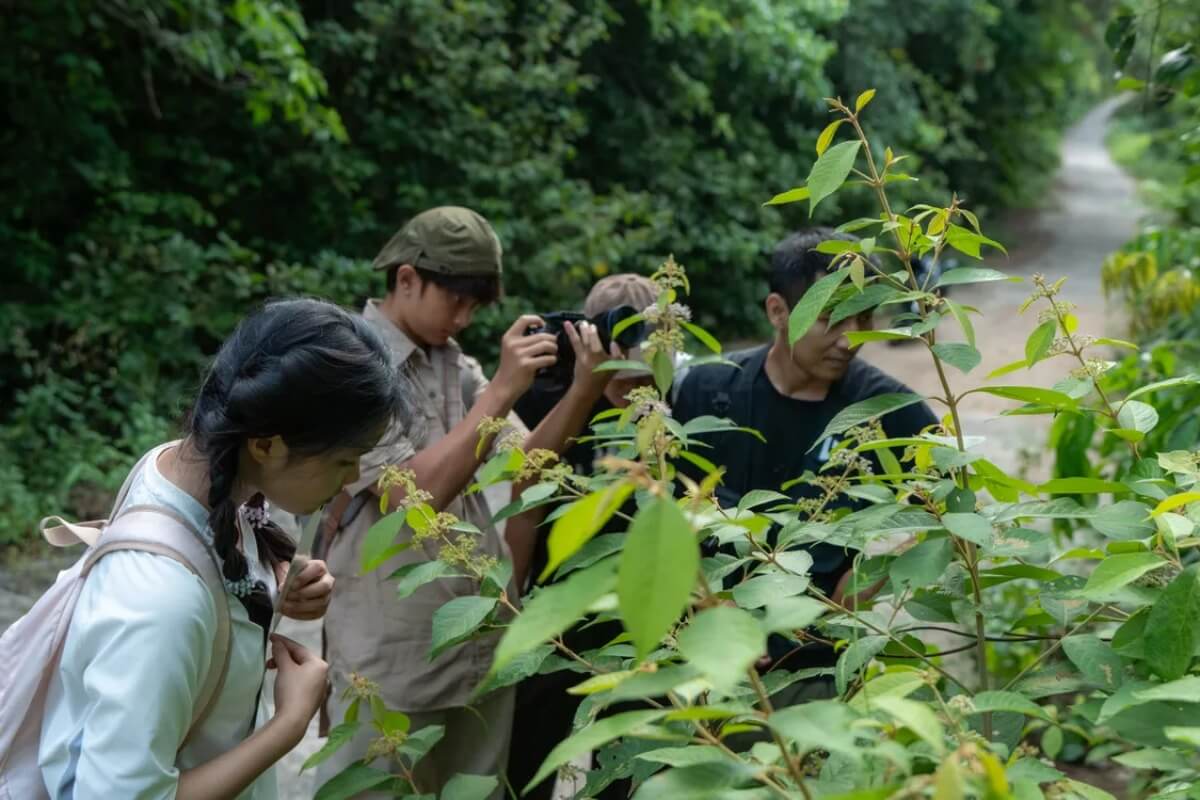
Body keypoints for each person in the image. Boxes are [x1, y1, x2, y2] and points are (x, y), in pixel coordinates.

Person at [37, 298, 405, 799]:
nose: (354, 478)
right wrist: (288, 725)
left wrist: (268, 582)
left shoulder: (181, 467)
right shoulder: (160, 604)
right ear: (266, 445)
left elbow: (213, 564)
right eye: (345, 459)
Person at [317, 207, 616, 797]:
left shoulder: (455, 364)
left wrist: (585, 388)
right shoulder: (351, 364)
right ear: (406, 280)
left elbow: (527, 465)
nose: (464, 319)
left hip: (478, 651)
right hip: (395, 660)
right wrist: (504, 389)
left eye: (476, 307)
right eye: (456, 300)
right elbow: (415, 495)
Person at [672, 227, 938, 679]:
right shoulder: (706, 390)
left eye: (864, 319)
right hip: (698, 658)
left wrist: (863, 586)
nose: (850, 340)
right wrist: (702, 608)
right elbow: (662, 509)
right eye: (831, 318)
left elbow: (944, 513)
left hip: (817, 666)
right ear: (778, 311)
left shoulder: (894, 414)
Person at [506, 273, 657, 800]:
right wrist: (584, 389)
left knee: (629, 769)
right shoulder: (551, 392)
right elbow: (524, 485)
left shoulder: (674, 401)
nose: (626, 354)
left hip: (640, 617)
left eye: (639, 338)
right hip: (556, 612)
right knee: (528, 764)